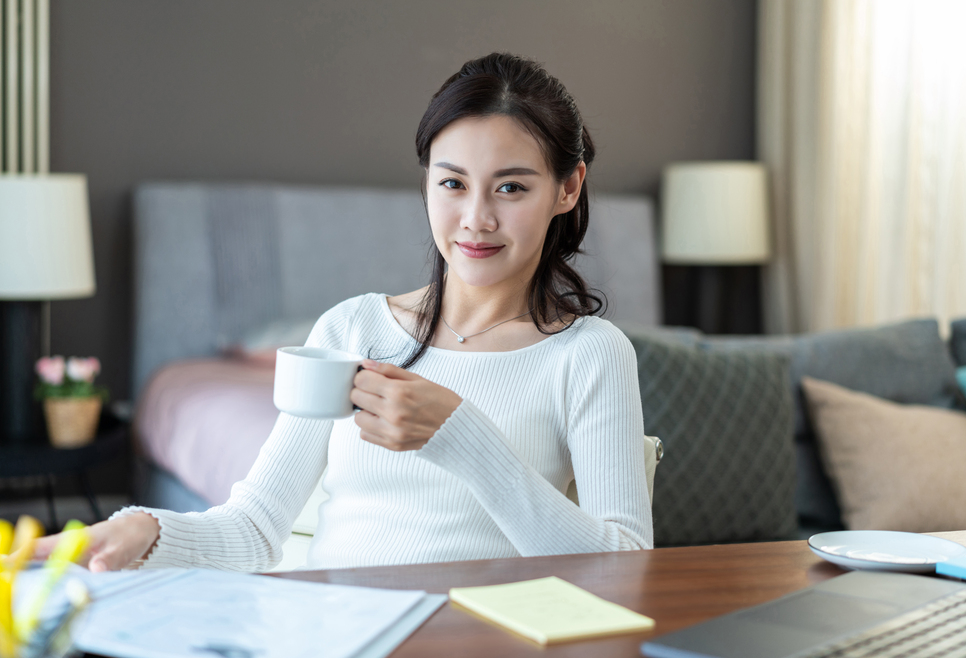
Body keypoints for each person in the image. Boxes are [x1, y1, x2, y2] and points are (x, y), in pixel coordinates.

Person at [33, 52, 653, 572]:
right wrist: (144, 530)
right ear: (426, 183)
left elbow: (625, 570)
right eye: (452, 183)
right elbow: (255, 527)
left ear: (567, 188)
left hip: (484, 655)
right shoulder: (352, 330)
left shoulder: (589, 354)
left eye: (511, 187)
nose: (476, 219)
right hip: (338, 643)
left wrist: (460, 436)